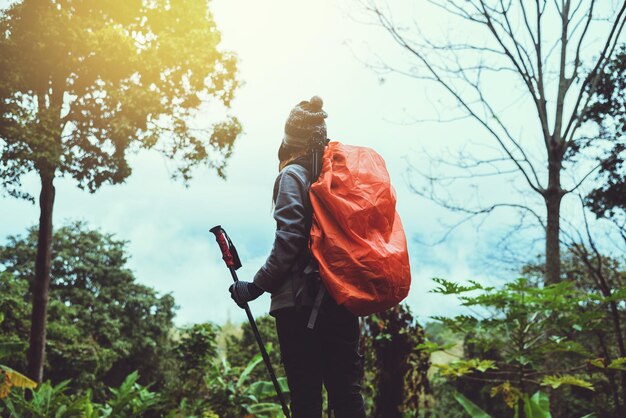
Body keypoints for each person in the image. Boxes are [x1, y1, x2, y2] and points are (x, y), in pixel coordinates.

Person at [228, 96, 367, 418]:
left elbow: (289, 241)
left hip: (300, 306)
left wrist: (255, 287)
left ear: (290, 139)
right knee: (347, 393)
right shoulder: (339, 180)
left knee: (306, 397)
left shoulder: (292, 176)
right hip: (342, 298)